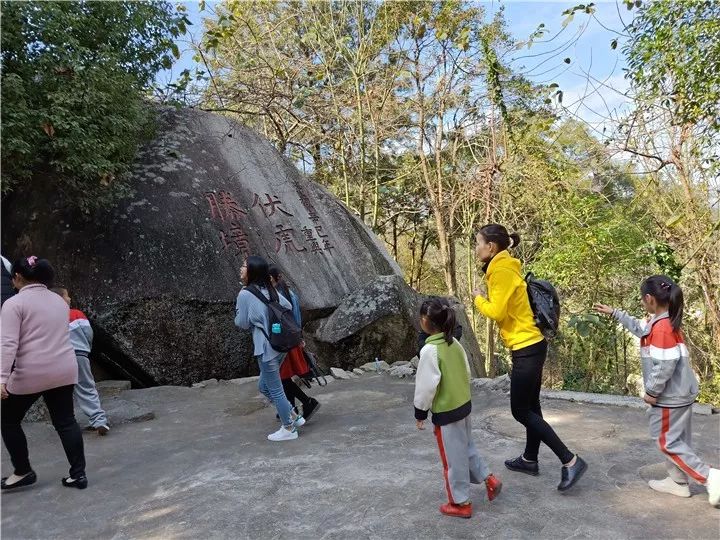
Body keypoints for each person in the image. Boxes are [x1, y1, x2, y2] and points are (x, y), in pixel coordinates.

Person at [473, 224, 587, 491]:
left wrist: (478, 299)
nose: (476, 248)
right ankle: (529, 459)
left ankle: (570, 461)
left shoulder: (500, 271)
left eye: (478, 243)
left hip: (526, 347)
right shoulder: (506, 266)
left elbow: (497, 312)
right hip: (531, 344)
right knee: (532, 407)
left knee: (520, 410)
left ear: (491, 247)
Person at [594, 276, 719, 506]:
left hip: (669, 396)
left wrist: (651, 391)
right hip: (681, 392)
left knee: (666, 441)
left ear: (649, 299)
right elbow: (640, 328)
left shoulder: (661, 328)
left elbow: (665, 366)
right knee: (677, 439)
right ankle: (678, 483)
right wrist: (615, 313)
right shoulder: (662, 321)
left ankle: (711, 477)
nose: (643, 304)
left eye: (643, 300)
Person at [1, 256, 88, 490]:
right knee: (66, 421)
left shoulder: (14, 304)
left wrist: (1, 378)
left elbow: (8, 343)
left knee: (8, 420)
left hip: (31, 373)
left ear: (18, 277)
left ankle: (23, 471)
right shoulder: (59, 301)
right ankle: (78, 474)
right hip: (63, 368)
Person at [414, 297, 502, 519]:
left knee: (453, 461)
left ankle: (461, 503)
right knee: (467, 448)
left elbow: (425, 386)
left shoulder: (429, 351)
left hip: (447, 413)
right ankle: (488, 478)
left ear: (424, 321)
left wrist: (420, 412)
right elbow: (466, 374)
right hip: (463, 407)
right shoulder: (455, 344)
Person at [234, 256, 305, 441]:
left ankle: (288, 428)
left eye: (244, 266)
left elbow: (241, 323)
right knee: (264, 386)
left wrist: (255, 319)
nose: (241, 269)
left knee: (275, 389)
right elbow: (287, 306)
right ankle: (294, 417)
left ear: (252, 271)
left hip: (265, 348)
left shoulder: (245, 294)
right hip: (280, 345)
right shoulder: (270, 289)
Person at [51, 287, 109, 435]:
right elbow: (88, 333)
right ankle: (99, 420)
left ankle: (67, 422)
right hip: (79, 355)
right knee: (86, 387)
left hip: (58, 358)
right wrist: (86, 348)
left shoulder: (48, 318)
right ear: (60, 299)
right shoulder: (76, 314)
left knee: (61, 392)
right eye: (67, 296)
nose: (70, 298)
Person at [269, 265, 321, 423]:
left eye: (269, 278)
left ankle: (307, 402)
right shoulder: (284, 293)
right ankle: (291, 407)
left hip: (286, 343)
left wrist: (299, 337)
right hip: (290, 342)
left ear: (275, 278)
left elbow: (294, 320)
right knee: (284, 378)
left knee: (283, 378)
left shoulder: (282, 295)